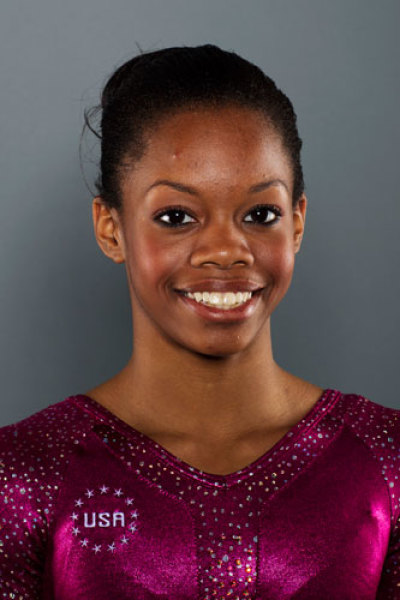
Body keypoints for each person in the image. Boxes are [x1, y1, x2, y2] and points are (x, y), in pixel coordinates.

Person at [0, 44, 399, 599]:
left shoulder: (386, 460)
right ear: (111, 229)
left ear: (299, 223)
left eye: (261, 214)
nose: (225, 250)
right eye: (176, 217)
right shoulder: (24, 474)